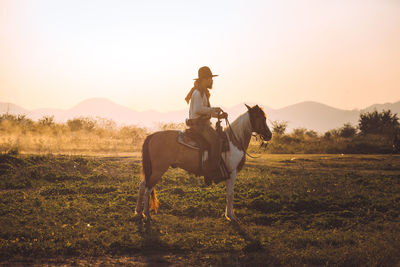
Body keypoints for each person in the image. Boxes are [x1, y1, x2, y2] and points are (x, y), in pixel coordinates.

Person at [185, 66, 228, 178]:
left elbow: (204, 112)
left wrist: (218, 115)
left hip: (201, 123)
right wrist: (213, 110)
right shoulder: (198, 93)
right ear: (204, 79)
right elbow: (198, 109)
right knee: (216, 141)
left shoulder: (202, 92)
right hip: (199, 125)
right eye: (209, 78)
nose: (211, 81)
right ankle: (213, 170)